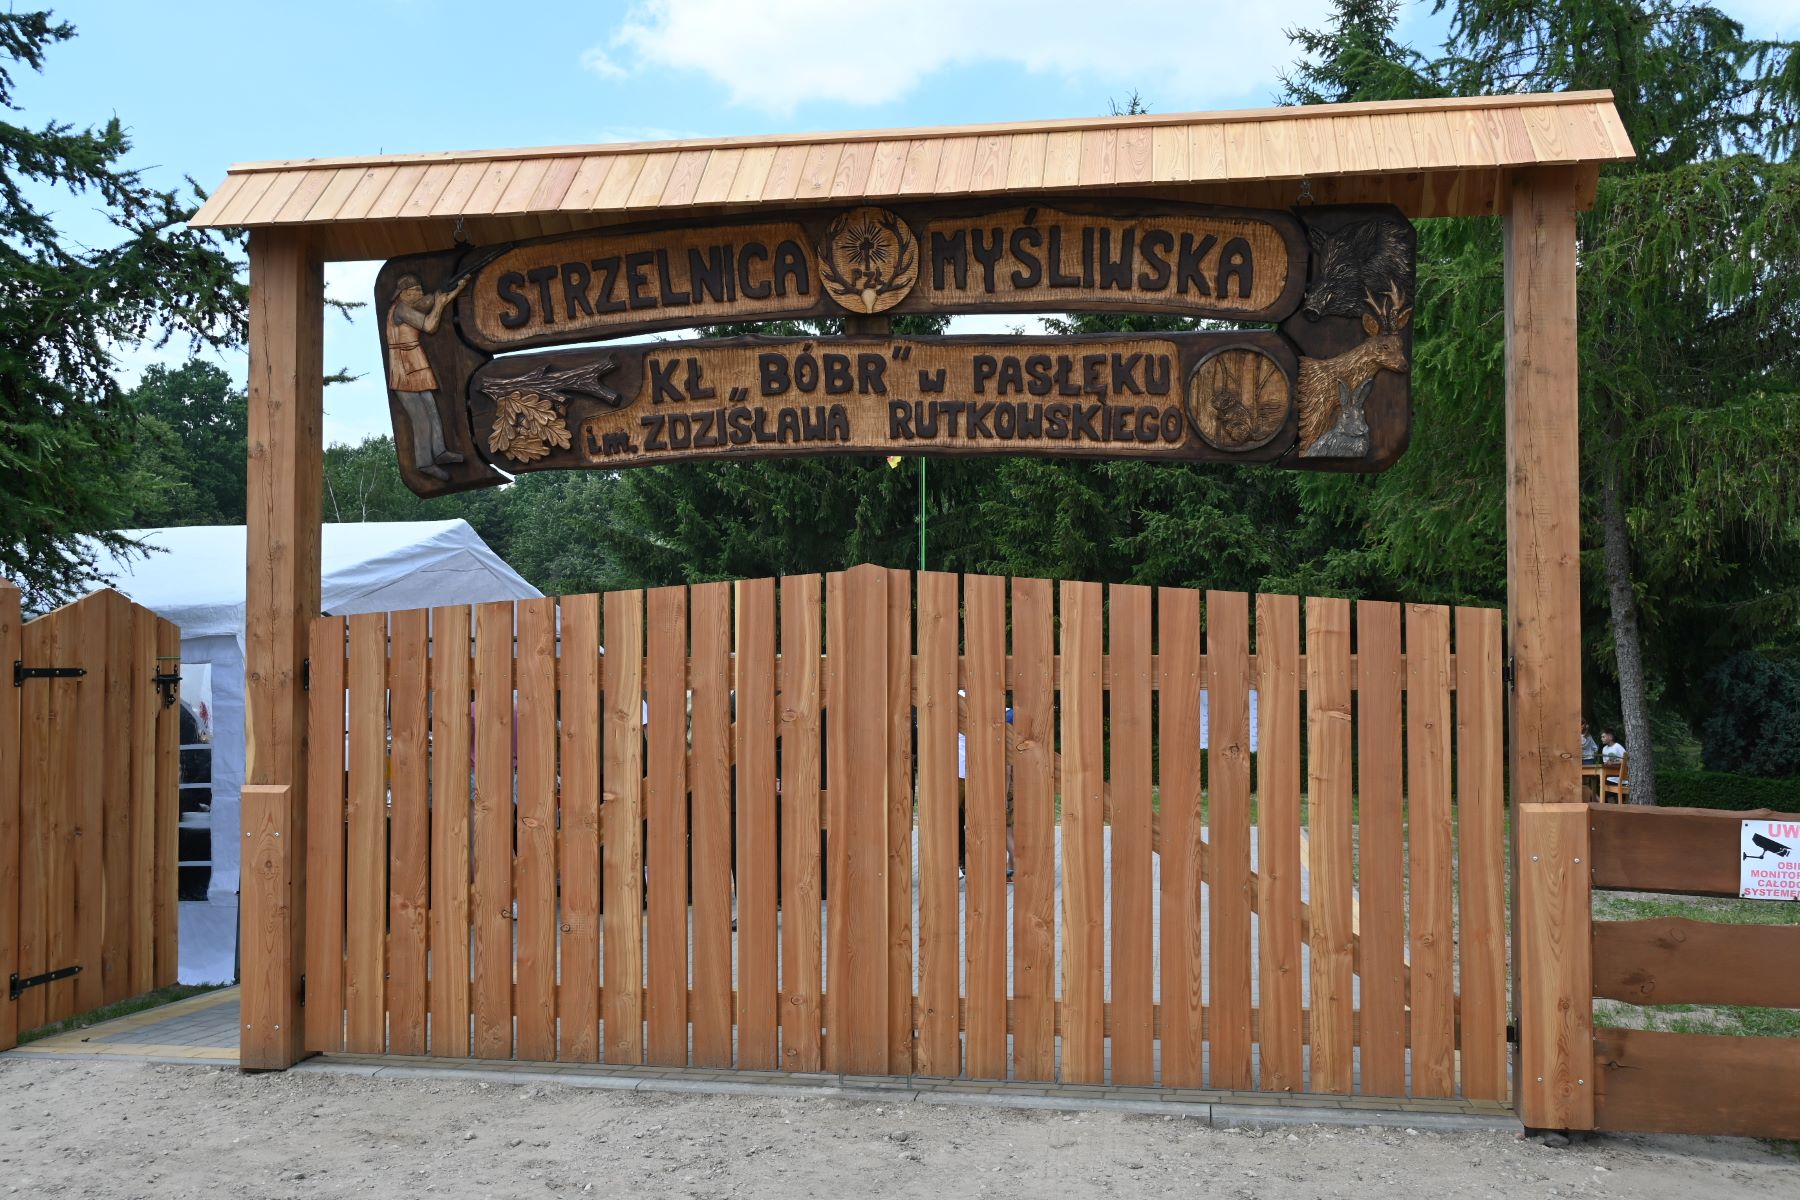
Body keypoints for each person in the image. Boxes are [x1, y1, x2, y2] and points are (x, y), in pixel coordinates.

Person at [386, 273, 470, 481]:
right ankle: (424, 462)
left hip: (415, 362)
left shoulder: (410, 306)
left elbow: (436, 299)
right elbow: (430, 326)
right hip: (404, 368)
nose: (421, 293)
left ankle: (440, 452)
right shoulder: (402, 310)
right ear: (404, 293)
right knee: (420, 417)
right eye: (417, 290)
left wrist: (456, 289)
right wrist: (439, 305)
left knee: (432, 410)